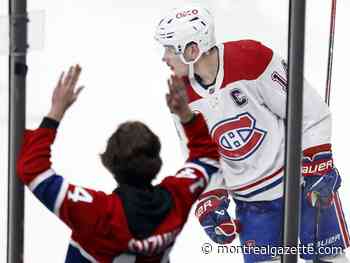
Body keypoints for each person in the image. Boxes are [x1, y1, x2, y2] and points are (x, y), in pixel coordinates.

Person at [154, 4, 349, 263]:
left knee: (331, 258)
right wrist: (212, 198)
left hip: (302, 185)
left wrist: (318, 157)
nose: (164, 57)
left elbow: (308, 110)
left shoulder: (252, 58)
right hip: (253, 205)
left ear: (192, 50)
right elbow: (200, 155)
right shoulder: (182, 96)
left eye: (170, 49)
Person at [16, 65, 221, 262]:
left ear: (109, 162)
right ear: (155, 162)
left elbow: (32, 170)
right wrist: (185, 114)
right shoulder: (177, 198)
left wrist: (55, 112)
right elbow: (206, 157)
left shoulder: (97, 213)